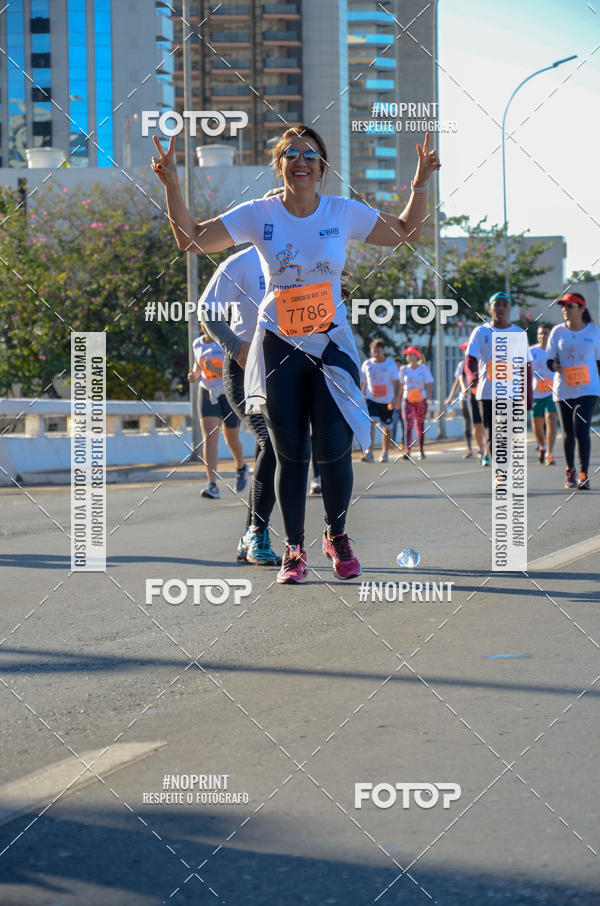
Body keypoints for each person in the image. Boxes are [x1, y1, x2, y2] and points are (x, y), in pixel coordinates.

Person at [152, 125, 440, 583]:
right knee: (290, 453)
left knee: (333, 446)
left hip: (330, 343)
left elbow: (405, 232)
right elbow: (191, 238)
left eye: (310, 153)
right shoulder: (259, 213)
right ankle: (293, 549)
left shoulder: (341, 212)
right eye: (291, 153)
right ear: (279, 164)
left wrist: (421, 182)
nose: (301, 160)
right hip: (278, 342)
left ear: (322, 166)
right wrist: (172, 185)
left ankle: (337, 535)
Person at [199, 229, 281, 565]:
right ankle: (257, 535)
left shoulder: (303, 263)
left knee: (287, 449)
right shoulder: (242, 262)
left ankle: (250, 535)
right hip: (244, 370)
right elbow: (207, 309)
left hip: (285, 372)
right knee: (271, 444)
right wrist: (234, 345)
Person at [465, 292, 533, 461]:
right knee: (492, 434)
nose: (500, 308)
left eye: (504, 304)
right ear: (490, 309)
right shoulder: (480, 332)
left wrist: (528, 395)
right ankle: (500, 474)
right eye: (497, 304)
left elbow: (526, 366)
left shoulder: (518, 333)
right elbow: (470, 359)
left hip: (511, 393)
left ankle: (504, 471)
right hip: (487, 393)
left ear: (510, 309)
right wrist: (472, 375)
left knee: (507, 433)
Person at [547, 292, 600, 490]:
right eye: (563, 306)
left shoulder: (594, 332)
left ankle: (584, 472)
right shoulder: (557, 332)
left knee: (581, 428)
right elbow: (550, 359)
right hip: (564, 389)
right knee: (568, 433)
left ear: (581, 308)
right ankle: (570, 470)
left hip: (588, 388)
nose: (565, 310)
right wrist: (554, 366)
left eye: (570, 306)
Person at [188, 324, 248, 499]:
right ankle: (212, 484)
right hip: (207, 391)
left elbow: (236, 366)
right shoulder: (197, 344)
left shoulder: (225, 341)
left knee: (231, 438)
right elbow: (197, 367)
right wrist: (194, 374)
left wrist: (217, 371)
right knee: (210, 438)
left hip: (228, 392)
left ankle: (240, 466)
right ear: (202, 326)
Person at [360, 338, 401, 463]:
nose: (376, 354)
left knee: (387, 427)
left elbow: (397, 383)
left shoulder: (390, 365)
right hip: (371, 399)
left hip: (387, 401)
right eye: (374, 352)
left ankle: (384, 452)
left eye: (378, 351)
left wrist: (395, 399)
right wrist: (359, 396)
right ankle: (369, 452)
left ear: (384, 351)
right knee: (371, 423)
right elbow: (363, 382)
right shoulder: (367, 364)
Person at [446, 341, 486, 461]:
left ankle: (485, 447)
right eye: (464, 349)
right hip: (466, 398)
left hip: (482, 397)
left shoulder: (481, 362)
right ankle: (471, 448)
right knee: (470, 424)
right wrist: (451, 397)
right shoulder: (462, 364)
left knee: (484, 424)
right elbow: (458, 381)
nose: (466, 351)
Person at [398, 346, 433, 460]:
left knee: (420, 425)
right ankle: (407, 450)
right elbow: (401, 386)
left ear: (416, 356)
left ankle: (421, 450)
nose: (408, 356)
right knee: (408, 425)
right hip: (407, 399)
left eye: (411, 354)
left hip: (420, 399)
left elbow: (429, 383)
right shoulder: (404, 369)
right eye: (407, 354)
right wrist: (396, 399)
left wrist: (429, 397)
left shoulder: (423, 369)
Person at [530, 324, 557, 466]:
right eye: (540, 334)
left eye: (546, 334)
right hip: (535, 393)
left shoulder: (555, 351)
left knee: (551, 419)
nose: (543, 336)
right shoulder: (531, 352)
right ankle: (542, 446)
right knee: (537, 424)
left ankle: (549, 453)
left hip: (552, 393)